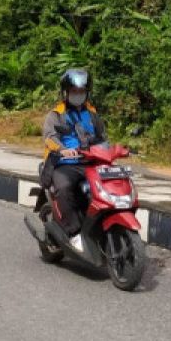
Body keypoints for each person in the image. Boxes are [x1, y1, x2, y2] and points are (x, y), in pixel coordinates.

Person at [40, 68, 107, 239]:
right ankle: (73, 232)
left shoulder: (92, 113)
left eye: (82, 91)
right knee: (63, 188)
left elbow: (102, 136)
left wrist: (110, 150)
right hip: (65, 164)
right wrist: (63, 150)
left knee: (107, 187)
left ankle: (101, 226)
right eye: (74, 91)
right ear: (66, 92)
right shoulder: (56, 114)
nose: (78, 94)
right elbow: (49, 138)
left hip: (90, 161)